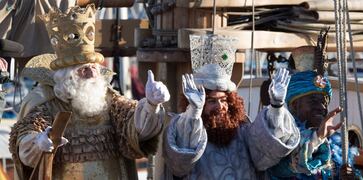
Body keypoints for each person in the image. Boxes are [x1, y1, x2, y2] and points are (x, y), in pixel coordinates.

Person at [8, 4, 170, 179]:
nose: (93, 73)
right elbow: (26, 146)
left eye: (94, 67)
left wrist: (151, 105)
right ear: (67, 77)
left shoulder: (109, 101)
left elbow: (134, 126)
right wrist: (38, 143)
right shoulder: (45, 104)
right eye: (84, 70)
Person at [157, 34, 301, 179]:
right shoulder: (185, 131)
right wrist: (194, 112)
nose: (220, 106)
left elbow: (266, 155)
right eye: (212, 101)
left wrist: (276, 106)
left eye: (224, 100)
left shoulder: (243, 131)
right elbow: (180, 163)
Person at [267, 36, 363, 179]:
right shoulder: (281, 138)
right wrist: (317, 138)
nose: (321, 106)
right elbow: (294, 164)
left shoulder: (336, 147)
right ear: (295, 105)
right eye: (313, 100)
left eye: (324, 101)